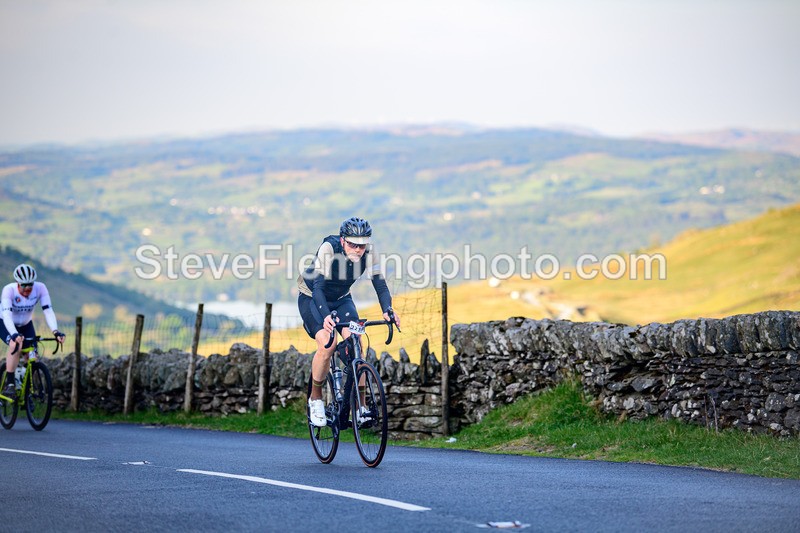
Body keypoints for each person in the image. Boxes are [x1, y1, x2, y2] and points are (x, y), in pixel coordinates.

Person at [297, 217, 400, 427]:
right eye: (353, 244)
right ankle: (315, 399)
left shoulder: (369, 253)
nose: (358, 249)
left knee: (356, 345)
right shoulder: (328, 247)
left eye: (361, 245)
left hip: (342, 299)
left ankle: (361, 407)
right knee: (328, 343)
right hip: (312, 297)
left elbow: (380, 285)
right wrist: (326, 316)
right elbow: (318, 289)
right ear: (343, 241)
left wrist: (387, 310)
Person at [1, 264, 65, 397]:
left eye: (30, 285)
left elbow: (47, 310)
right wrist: (13, 334)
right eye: (23, 285)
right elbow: (7, 316)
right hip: (5, 323)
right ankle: (11, 384)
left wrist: (55, 331)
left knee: (32, 357)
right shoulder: (9, 290)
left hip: (25, 325)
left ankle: (25, 391)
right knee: (16, 345)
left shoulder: (40, 288)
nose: (27, 288)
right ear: (17, 283)